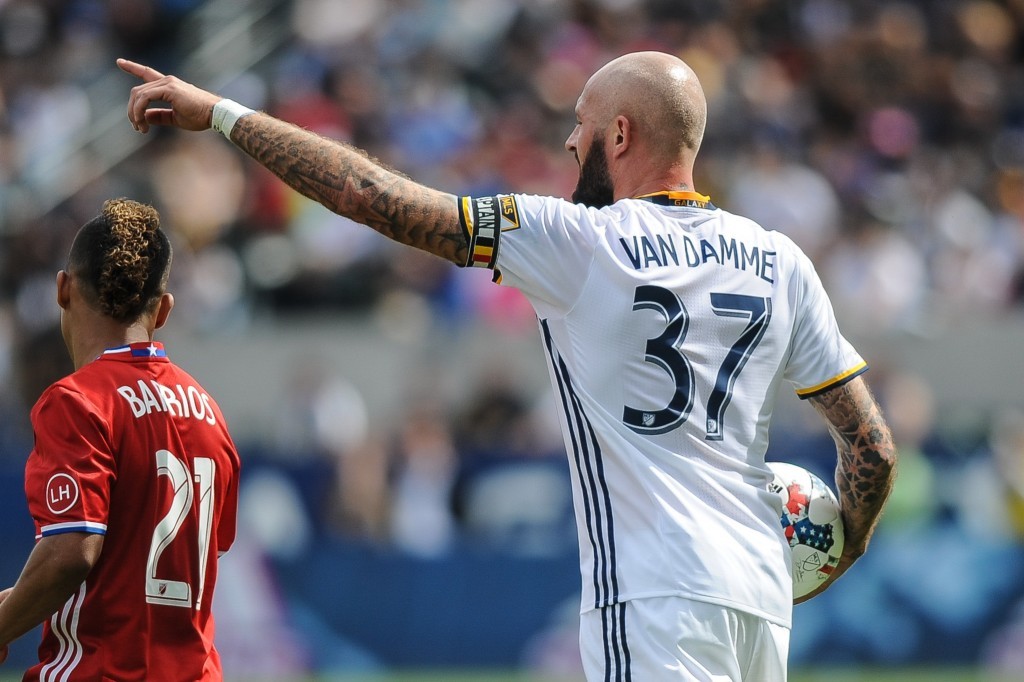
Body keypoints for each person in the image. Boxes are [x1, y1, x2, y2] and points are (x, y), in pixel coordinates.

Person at [119, 51, 897, 681]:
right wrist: (839, 547)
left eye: (581, 125)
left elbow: (367, 192)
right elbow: (873, 447)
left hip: (656, 594)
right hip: (762, 600)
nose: (568, 142)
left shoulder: (578, 240)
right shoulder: (779, 259)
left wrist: (221, 114)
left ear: (620, 136)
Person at [0, 199, 241, 681]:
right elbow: (161, 564)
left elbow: (72, 553)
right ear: (165, 309)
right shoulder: (209, 410)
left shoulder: (77, 401)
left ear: (63, 288)